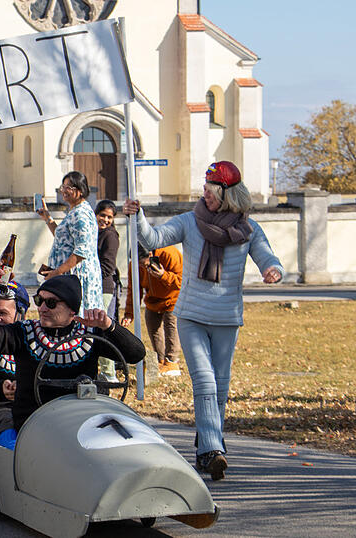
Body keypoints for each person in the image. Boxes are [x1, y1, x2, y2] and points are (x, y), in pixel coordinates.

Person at [123, 160, 283, 480]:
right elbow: (153, 239)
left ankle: (205, 446)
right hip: (192, 315)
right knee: (205, 382)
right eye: (204, 191)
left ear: (227, 194)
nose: (205, 197)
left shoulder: (248, 230)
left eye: (210, 192)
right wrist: (136, 216)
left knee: (220, 386)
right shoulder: (189, 221)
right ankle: (213, 450)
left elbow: (266, 254)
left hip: (227, 318)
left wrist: (273, 270)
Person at [0, 268, 146, 448]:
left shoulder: (90, 334)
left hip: (81, 424)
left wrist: (109, 325)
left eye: (51, 303)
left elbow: (136, 354)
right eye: (39, 300)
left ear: (72, 309)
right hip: (35, 426)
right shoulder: (23, 332)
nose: (42, 308)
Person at [37, 171, 103, 313]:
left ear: (80, 191)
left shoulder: (81, 214)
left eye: (69, 188)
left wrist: (57, 272)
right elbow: (63, 239)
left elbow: (82, 250)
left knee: (77, 318)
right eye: (63, 187)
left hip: (77, 277)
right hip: (69, 276)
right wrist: (47, 217)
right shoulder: (74, 211)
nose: (64, 191)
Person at [122, 245, 184, 377]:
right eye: (136, 263)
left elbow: (181, 281)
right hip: (152, 300)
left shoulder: (169, 253)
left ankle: (172, 361)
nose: (140, 266)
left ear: (150, 255)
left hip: (172, 298)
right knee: (153, 328)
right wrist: (129, 313)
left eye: (141, 263)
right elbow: (134, 289)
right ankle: (160, 361)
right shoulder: (135, 265)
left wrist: (163, 275)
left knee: (171, 327)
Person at [95, 199, 121, 383]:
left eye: (109, 217)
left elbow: (108, 267)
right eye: (102, 215)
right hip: (94, 286)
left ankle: (109, 373)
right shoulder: (94, 233)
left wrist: (89, 277)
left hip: (102, 287)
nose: (105, 219)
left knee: (101, 328)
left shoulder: (110, 236)